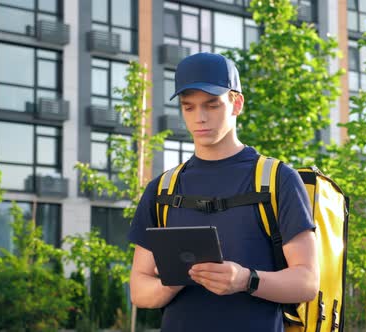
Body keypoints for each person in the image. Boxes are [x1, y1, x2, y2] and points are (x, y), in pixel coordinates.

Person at [128, 52, 319, 331]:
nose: (200, 118)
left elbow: (307, 282)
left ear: (236, 103)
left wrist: (245, 280)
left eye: (212, 105)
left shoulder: (278, 180)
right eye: (188, 107)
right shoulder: (162, 189)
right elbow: (139, 289)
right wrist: (177, 280)